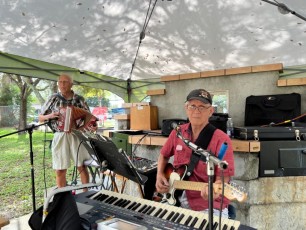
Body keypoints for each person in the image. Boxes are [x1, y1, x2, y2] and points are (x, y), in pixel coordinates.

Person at [155, 89, 235, 218]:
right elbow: (164, 155)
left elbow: (223, 178)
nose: (196, 111)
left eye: (202, 107)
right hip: (175, 197)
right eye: (193, 106)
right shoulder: (177, 132)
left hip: (206, 204)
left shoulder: (222, 139)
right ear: (186, 108)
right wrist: (159, 175)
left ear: (211, 111)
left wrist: (215, 190)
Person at [39, 74, 96, 190]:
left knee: (82, 166)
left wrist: (90, 126)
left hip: (77, 135)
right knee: (60, 168)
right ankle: (63, 197)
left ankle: (86, 193)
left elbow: (90, 117)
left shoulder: (80, 99)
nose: (62, 84)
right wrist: (51, 115)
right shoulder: (53, 98)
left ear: (71, 84)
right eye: (60, 82)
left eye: (65, 82)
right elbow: (40, 117)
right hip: (60, 135)